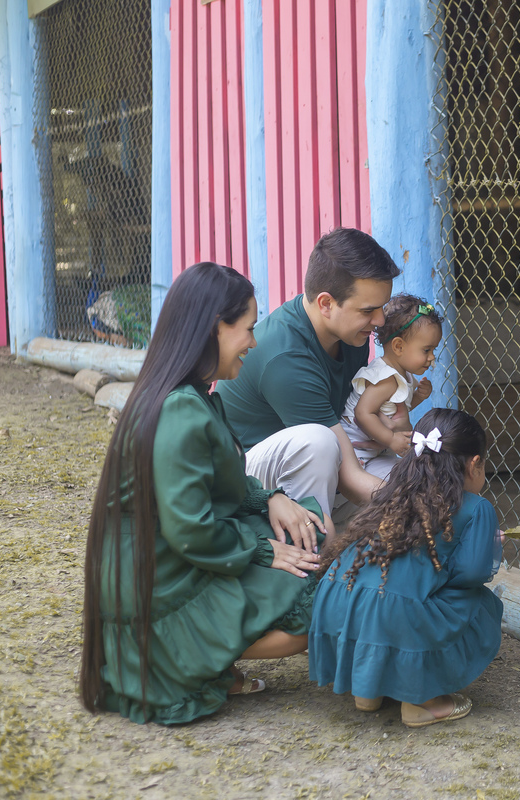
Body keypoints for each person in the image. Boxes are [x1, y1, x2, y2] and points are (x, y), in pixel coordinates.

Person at [79, 262, 329, 726]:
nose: (254, 343)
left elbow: (221, 481)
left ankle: (211, 653)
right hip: (160, 578)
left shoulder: (188, 395)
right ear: (216, 327)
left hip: (170, 556)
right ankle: (189, 658)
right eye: (249, 329)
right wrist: (260, 549)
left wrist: (268, 497)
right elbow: (191, 529)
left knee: (307, 539)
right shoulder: (179, 410)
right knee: (308, 604)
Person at [309, 408, 505, 728]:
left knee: (387, 598)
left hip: (338, 598)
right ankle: (422, 701)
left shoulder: (391, 494)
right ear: (474, 464)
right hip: (388, 613)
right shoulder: (477, 507)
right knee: (480, 603)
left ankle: (368, 692)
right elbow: (472, 573)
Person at [216, 227, 401, 520]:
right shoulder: (287, 357)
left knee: (407, 476)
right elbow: (349, 477)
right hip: (240, 479)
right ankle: (316, 549)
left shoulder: (350, 334)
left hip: (307, 469)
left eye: (381, 308)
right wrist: (418, 507)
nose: (379, 320)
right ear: (326, 304)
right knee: (320, 444)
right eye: (368, 310)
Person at [340, 294, 442, 475]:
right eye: (426, 350)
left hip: (375, 450)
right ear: (398, 347)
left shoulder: (403, 374)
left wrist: (419, 396)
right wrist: (392, 439)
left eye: (433, 350)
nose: (432, 357)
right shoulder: (386, 379)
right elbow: (363, 413)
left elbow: (395, 409)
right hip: (355, 451)